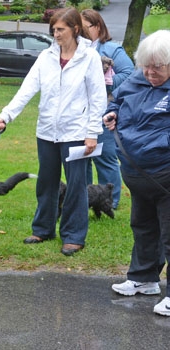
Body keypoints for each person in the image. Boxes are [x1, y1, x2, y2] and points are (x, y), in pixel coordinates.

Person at [0, 7, 107, 256]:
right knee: (47, 183)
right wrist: (5, 116)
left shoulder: (90, 58)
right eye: (53, 29)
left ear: (75, 29)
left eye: (61, 29)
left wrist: (92, 133)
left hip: (77, 132)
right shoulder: (45, 57)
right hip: (46, 132)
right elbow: (26, 89)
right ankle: (43, 229)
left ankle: (74, 236)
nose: (56, 34)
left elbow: (98, 98)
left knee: (76, 186)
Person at [104, 30, 170, 316]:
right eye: (147, 65)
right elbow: (116, 100)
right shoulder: (137, 79)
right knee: (142, 226)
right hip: (136, 174)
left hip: (165, 174)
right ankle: (144, 279)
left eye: (158, 66)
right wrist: (112, 112)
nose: (150, 72)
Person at [81, 9, 135, 209]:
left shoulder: (112, 49)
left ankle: (109, 201)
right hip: (78, 114)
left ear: (97, 27)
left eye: (85, 28)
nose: (81, 33)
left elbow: (130, 74)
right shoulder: (74, 49)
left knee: (105, 158)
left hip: (103, 113)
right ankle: (84, 198)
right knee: (81, 157)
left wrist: (107, 81)